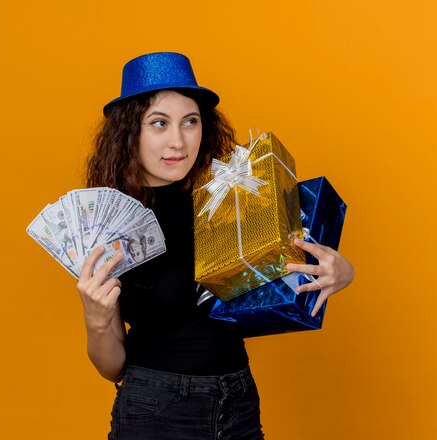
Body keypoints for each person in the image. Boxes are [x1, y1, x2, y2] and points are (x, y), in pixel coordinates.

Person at [76, 52, 354, 440]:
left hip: (238, 400)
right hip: (157, 410)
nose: (178, 141)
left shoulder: (229, 199)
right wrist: (96, 317)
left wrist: (339, 271)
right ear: (129, 133)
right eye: (159, 124)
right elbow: (113, 367)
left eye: (190, 122)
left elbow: (280, 273)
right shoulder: (108, 224)